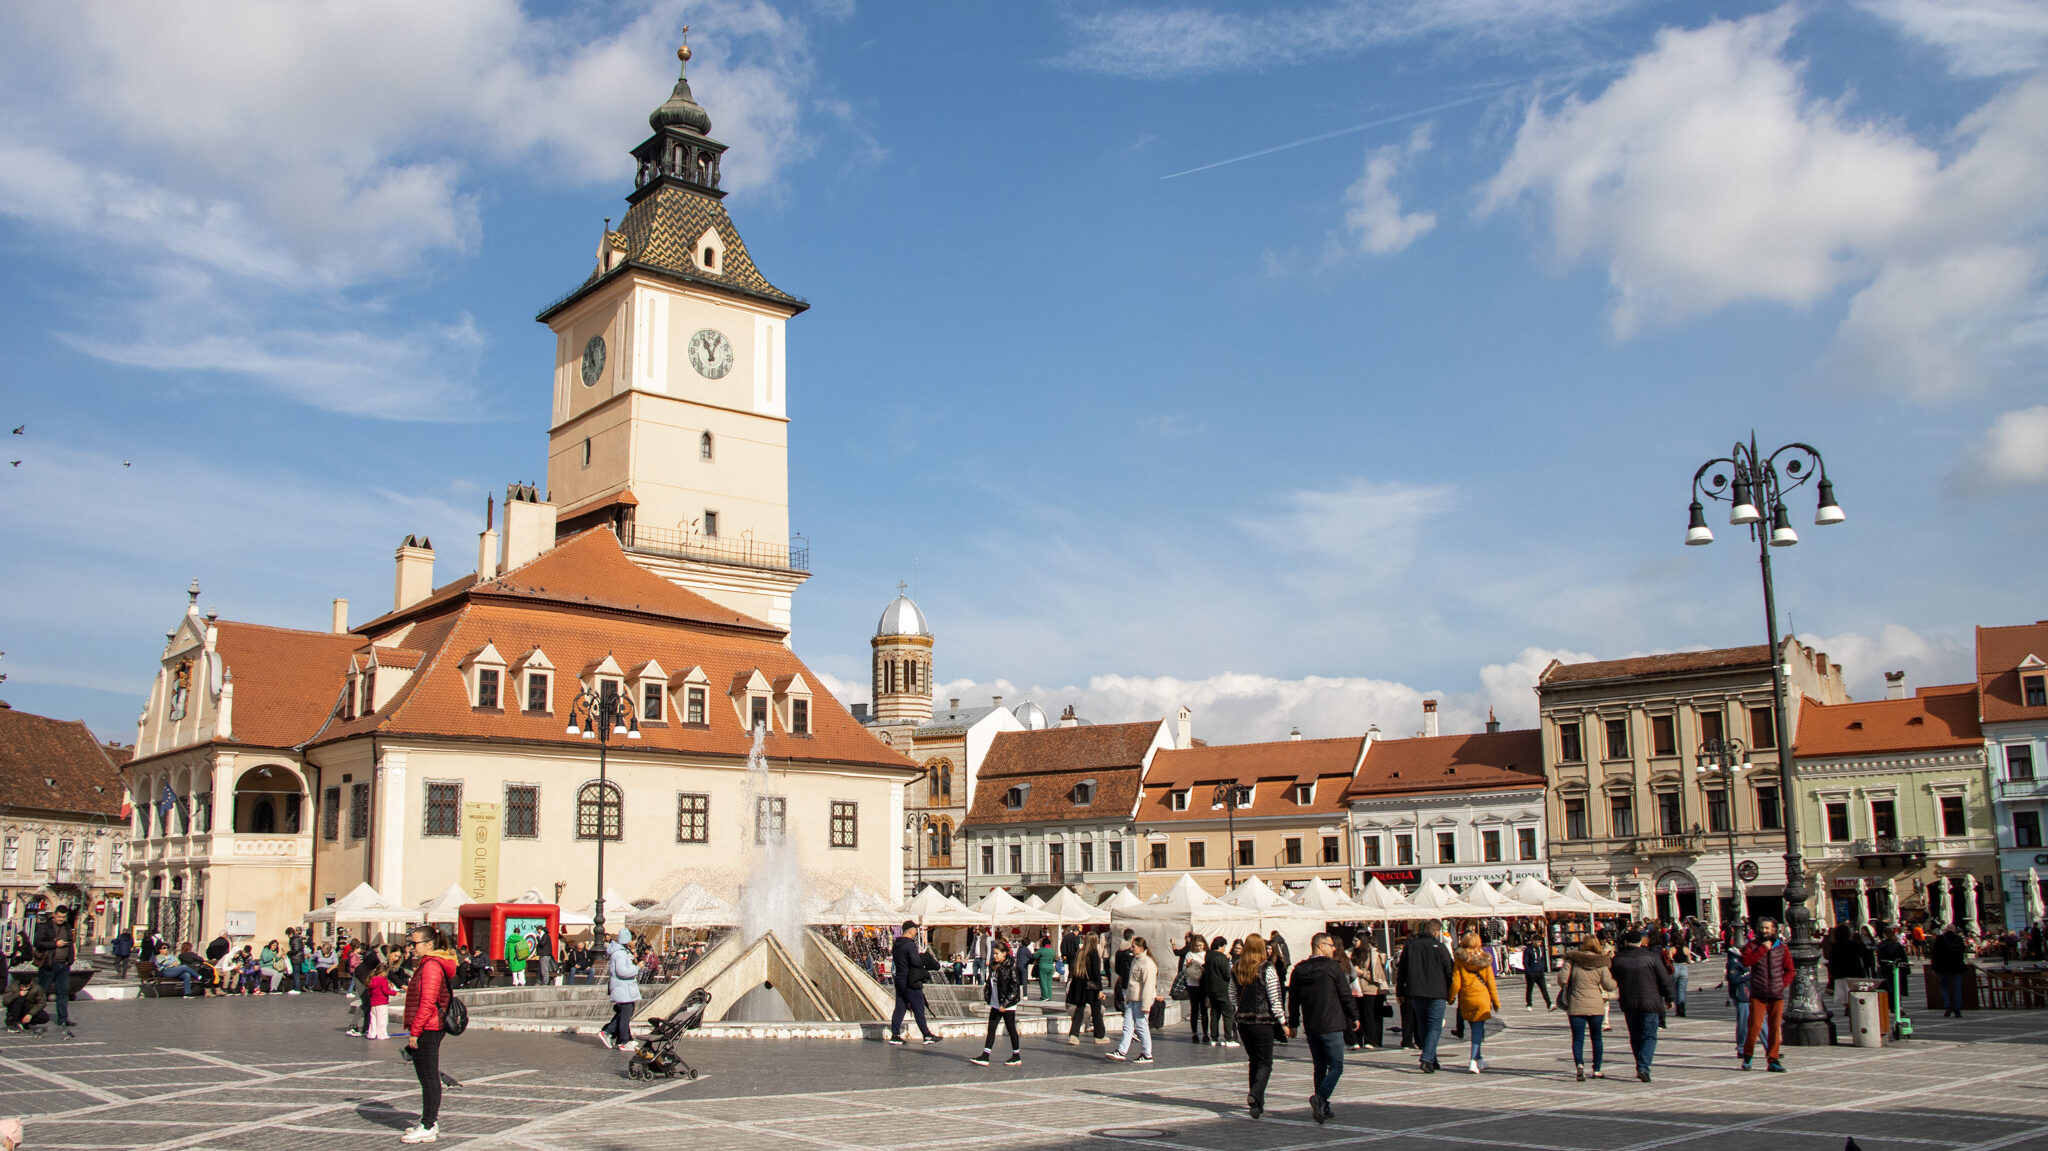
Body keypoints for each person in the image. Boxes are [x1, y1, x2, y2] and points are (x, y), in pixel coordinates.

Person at [1288, 932, 1358, 1122]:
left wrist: (1293, 1023)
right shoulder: (1332, 968)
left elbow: (1293, 1000)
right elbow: (1345, 994)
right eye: (1330, 945)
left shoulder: (1299, 970)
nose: (1333, 948)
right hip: (1332, 1024)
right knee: (1336, 1066)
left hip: (1312, 1026)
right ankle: (1320, 1098)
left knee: (1319, 1066)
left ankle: (1323, 1108)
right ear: (1320, 946)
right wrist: (1354, 1016)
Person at [401, 925, 459, 1144]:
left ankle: (428, 1125)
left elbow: (427, 1002)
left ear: (428, 944)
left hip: (429, 1026)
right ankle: (429, 1122)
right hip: (430, 1024)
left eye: (414, 943)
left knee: (429, 1078)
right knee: (428, 1076)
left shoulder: (431, 965)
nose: (411, 947)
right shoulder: (430, 963)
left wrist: (415, 1032)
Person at [1613, 928, 1675, 1082]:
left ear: (1626, 942)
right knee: (1649, 1036)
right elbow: (1664, 979)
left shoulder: (1618, 959)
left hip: (1629, 1002)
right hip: (1650, 1002)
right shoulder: (1651, 957)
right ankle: (1643, 1066)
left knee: (1635, 1036)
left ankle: (1640, 1063)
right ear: (1640, 941)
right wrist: (1669, 998)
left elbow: (1612, 979)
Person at [1396, 919, 1454, 1073]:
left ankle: (1431, 1057)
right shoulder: (1440, 947)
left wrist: (1400, 991)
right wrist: (1451, 991)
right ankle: (1426, 1058)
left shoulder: (1411, 946)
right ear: (1436, 932)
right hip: (1437, 992)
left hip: (1416, 991)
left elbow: (1402, 969)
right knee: (1434, 1027)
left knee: (1423, 1024)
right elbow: (1449, 970)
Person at [1233, 934, 1281, 1120]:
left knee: (1254, 1060)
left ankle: (1257, 1104)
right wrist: (1282, 1022)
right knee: (1265, 1062)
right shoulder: (1267, 968)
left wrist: (1240, 1008)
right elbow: (1274, 996)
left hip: (1243, 1022)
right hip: (1262, 1021)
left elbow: (1232, 995)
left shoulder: (1237, 967)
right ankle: (1255, 1093)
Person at [1558, 935, 1617, 1080]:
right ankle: (1597, 1069)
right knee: (1596, 1038)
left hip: (1576, 1005)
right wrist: (1616, 981)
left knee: (1578, 1039)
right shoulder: (1601, 963)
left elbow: (1561, 980)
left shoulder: (1573, 961)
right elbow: (1608, 986)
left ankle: (1580, 1065)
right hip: (1596, 1006)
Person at [1741, 917, 1795, 1071]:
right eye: (1762, 928)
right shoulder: (1752, 946)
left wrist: (1781, 984)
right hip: (1759, 992)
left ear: (1774, 930)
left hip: (1776, 994)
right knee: (1755, 1025)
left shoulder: (1782, 948)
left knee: (1775, 1028)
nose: (1764, 931)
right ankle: (1748, 1054)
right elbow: (1746, 962)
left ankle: (1773, 1059)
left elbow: (1790, 970)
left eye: (1767, 928)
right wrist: (1763, 949)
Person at [1450, 933, 1500, 1074]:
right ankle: (1473, 1061)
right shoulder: (1484, 959)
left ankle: (1479, 1058)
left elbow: (1456, 982)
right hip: (1482, 998)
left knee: (1475, 1029)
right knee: (1477, 1032)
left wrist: (1451, 997)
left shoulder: (1460, 960)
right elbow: (1491, 983)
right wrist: (1496, 1002)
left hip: (1466, 997)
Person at [970, 938, 1025, 1067]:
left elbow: (1015, 989)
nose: (994, 956)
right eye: (993, 953)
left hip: (1007, 1005)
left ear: (1004, 953)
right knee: (991, 1029)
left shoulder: (1011, 968)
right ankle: (985, 1055)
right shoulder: (994, 967)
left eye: (997, 953)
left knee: (1011, 1029)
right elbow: (990, 984)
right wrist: (988, 996)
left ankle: (1016, 1055)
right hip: (996, 1003)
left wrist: (1005, 1004)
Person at [1107, 936, 1159, 1064]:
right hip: (1133, 998)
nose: (1131, 949)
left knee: (1141, 1026)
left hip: (1142, 999)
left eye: (1133, 946)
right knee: (1127, 1024)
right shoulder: (1136, 960)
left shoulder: (1148, 964)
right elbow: (1132, 982)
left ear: (1141, 948)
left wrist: (1146, 1006)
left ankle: (1147, 1053)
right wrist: (1129, 997)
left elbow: (1148, 986)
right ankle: (1121, 1051)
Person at [888, 922, 941, 1046]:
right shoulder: (910, 945)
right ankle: (927, 1035)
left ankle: (895, 1035)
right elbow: (915, 962)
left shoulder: (896, 945)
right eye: (915, 930)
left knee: (900, 1007)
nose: (916, 932)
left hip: (899, 979)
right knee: (918, 1007)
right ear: (911, 931)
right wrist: (922, 958)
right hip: (910, 980)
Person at [32, 908, 77, 1028]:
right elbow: (37, 942)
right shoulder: (46, 926)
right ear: (54, 915)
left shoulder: (67, 926)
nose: (61, 919)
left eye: (63, 917)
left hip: (63, 965)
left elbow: (70, 943)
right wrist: (54, 944)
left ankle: (63, 1018)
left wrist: (71, 959)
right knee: (41, 992)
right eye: (59, 917)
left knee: (63, 992)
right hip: (48, 964)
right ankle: (32, 1015)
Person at [600, 933, 641, 1051]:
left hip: (624, 988)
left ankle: (618, 1036)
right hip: (623, 988)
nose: (635, 942)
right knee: (625, 1014)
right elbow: (622, 971)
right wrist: (637, 967)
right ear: (627, 940)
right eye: (634, 940)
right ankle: (621, 1039)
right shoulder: (620, 954)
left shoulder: (622, 952)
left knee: (625, 1013)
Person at [1066, 932, 1108, 1045]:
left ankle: (1074, 1035)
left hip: (1079, 986)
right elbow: (1096, 973)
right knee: (1096, 1010)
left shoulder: (1080, 952)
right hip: (1091, 986)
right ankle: (1099, 1035)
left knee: (1079, 1009)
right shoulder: (1093, 953)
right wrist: (1100, 989)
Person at [1350, 938, 1390, 1050]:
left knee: (1368, 1014)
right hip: (1355, 987)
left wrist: (1361, 972)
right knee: (1357, 1014)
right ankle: (1357, 1039)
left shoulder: (1372, 955)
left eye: (1356, 940)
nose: (1354, 942)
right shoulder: (1351, 952)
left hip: (1369, 988)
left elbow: (1377, 975)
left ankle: (1370, 1040)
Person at [1204, 935, 1239, 1047]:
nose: (1225, 949)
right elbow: (1227, 974)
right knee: (1228, 1013)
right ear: (1220, 946)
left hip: (1211, 989)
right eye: (1224, 947)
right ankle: (1228, 1039)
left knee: (1214, 1013)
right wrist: (1228, 962)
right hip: (1222, 989)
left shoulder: (1208, 956)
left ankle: (1214, 1038)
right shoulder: (1221, 957)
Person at [1930, 922, 1969, 1019]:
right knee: (1957, 988)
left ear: (1946, 930)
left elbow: (1935, 954)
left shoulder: (1940, 939)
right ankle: (1957, 1009)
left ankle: (1947, 1005)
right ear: (1955, 930)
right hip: (1957, 967)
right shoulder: (1958, 939)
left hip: (1944, 967)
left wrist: (1934, 968)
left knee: (1944, 987)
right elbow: (1963, 951)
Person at [1877, 925, 1911, 1020]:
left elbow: (1880, 959)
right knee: (1897, 988)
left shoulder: (1883, 945)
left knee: (1889, 989)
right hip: (1897, 969)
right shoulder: (1897, 944)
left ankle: (1892, 1007)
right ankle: (1898, 1006)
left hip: (1886, 969)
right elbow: (1903, 957)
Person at [1725, 939, 1752, 1057]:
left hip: (1748, 994)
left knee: (1759, 1022)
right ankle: (1741, 1047)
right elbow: (1733, 978)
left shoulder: (1739, 959)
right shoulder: (1734, 960)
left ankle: (1770, 1047)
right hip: (1741, 994)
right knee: (1743, 1021)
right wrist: (1748, 975)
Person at [1181, 936, 1210, 1043]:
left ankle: (1206, 1033)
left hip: (1203, 984)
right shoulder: (1190, 954)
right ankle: (1194, 1033)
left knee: (1204, 1009)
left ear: (1204, 945)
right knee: (1194, 1009)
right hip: (1192, 984)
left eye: (1200, 946)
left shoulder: (1207, 954)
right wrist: (1188, 965)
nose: (1198, 948)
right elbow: (1184, 970)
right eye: (1196, 946)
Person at [365, 959, 395, 1040]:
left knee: (373, 1019)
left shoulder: (372, 979)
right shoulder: (383, 980)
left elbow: (370, 992)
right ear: (384, 972)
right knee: (382, 1019)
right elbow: (385, 991)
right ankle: (382, 1034)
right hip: (382, 1002)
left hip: (374, 1003)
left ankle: (372, 1033)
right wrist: (395, 993)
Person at [1522, 934, 1551, 1010]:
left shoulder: (1541, 949)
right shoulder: (1528, 949)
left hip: (1540, 972)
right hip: (1531, 972)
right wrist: (1529, 972)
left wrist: (1542, 968)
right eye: (1538, 942)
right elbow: (1525, 962)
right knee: (1529, 989)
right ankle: (1529, 1004)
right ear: (1533, 941)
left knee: (1544, 988)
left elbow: (1542, 959)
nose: (1539, 944)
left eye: (1540, 942)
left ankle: (1549, 1004)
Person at [1033, 934, 1058, 1003]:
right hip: (1050, 967)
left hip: (1043, 966)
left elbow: (1035, 956)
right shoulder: (1053, 951)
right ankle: (1049, 996)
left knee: (1043, 981)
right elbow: (1054, 959)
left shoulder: (1041, 950)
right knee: (1049, 982)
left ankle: (1045, 996)